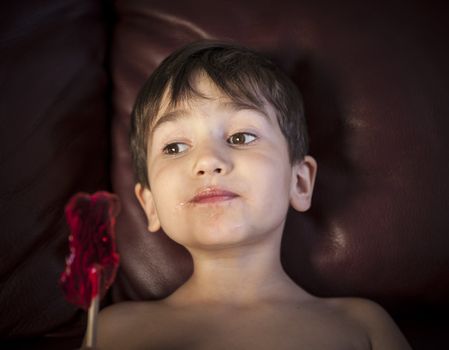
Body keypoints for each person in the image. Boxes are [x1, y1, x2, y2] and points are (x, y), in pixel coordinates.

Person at [96, 40, 411, 349]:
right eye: (174, 147)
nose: (207, 161)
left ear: (299, 182)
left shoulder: (361, 325)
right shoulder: (112, 331)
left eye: (240, 136)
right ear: (150, 204)